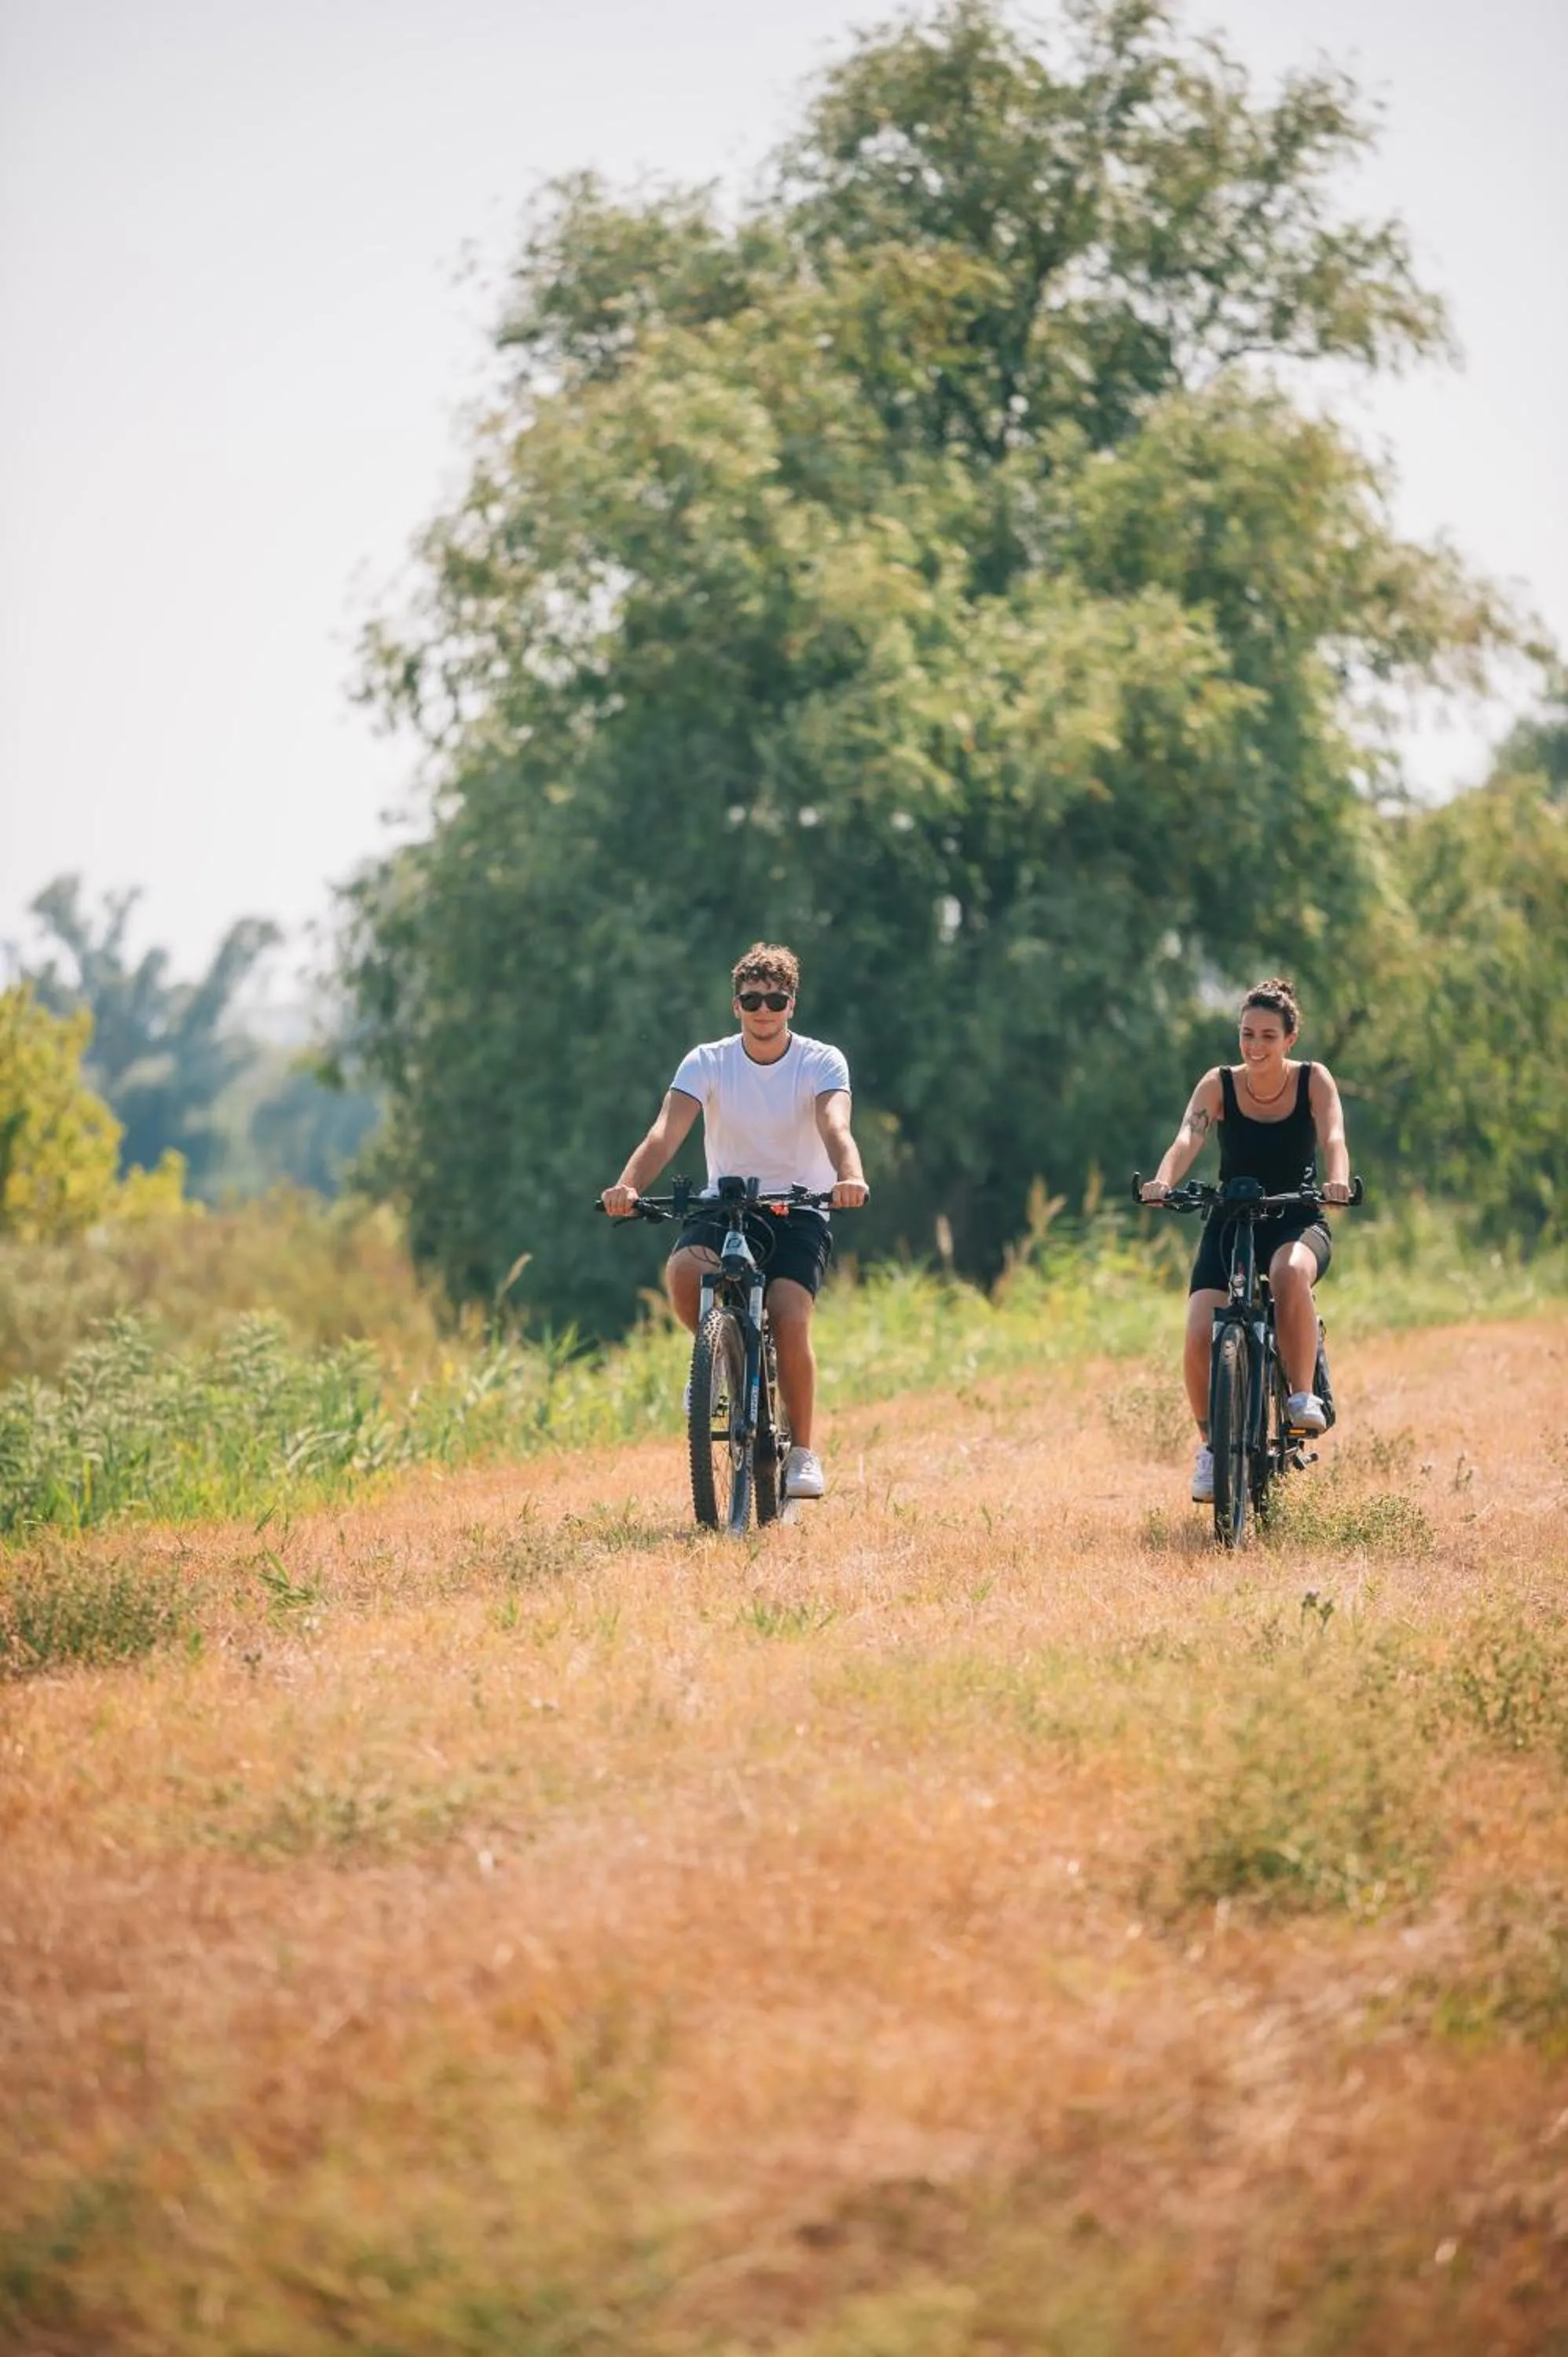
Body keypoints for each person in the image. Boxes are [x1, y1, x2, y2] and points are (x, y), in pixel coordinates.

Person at [600, 942, 869, 1499]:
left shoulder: (821, 1061)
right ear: (736, 1005)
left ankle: (803, 1453)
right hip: (725, 1203)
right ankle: (717, 1365)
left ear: (792, 1003)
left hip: (799, 1207)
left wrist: (850, 1175)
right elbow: (664, 1133)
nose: (764, 1010)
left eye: (776, 999)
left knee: (789, 1315)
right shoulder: (707, 1061)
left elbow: (835, 1126)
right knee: (683, 1273)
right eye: (752, 1000)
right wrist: (628, 1186)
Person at [1140, 977, 1354, 1505]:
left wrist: (1338, 1180)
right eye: (1246, 1035)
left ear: (1290, 1038)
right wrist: (1163, 1180)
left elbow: (1333, 1136)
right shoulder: (1219, 1084)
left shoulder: (1313, 1080)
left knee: (1288, 1273)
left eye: (1267, 1036)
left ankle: (1303, 1396)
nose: (1255, 1047)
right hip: (1231, 1220)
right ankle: (1212, 1449)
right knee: (1198, 1333)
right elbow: (1189, 1135)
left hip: (1294, 1215)